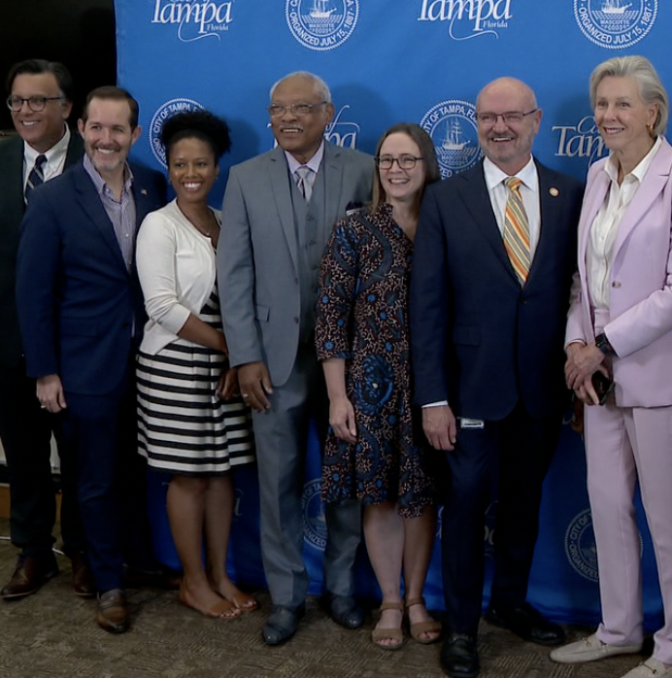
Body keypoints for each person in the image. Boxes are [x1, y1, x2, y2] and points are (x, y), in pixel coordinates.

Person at [411, 76, 582, 678]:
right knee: (463, 510)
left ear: (536, 120)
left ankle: (509, 603)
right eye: (487, 118)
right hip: (467, 395)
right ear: (476, 123)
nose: (499, 127)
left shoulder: (571, 192)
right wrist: (433, 398)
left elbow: (579, 297)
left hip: (540, 392)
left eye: (511, 117)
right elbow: (427, 308)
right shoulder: (445, 198)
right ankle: (459, 627)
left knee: (523, 506)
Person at [552, 55, 672, 678]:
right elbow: (583, 283)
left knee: (666, 516)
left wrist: (604, 345)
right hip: (594, 377)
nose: (608, 116)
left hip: (658, 378)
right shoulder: (595, 175)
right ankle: (618, 628)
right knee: (607, 506)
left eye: (622, 104)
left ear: (653, 111)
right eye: (602, 105)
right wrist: (575, 345)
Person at [216, 70, 371, 646]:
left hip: (349, 367)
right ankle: (286, 597)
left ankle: (342, 588)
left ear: (327, 113)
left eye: (301, 108)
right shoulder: (244, 179)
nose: (287, 118)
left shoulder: (362, 169)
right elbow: (233, 276)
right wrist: (245, 356)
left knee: (346, 482)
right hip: (272, 365)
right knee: (277, 485)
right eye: (278, 109)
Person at [16, 86, 169, 633]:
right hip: (83, 368)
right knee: (97, 478)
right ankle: (109, 585)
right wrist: (45, 370)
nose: (107, 139)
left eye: (118, 129)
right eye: (97, 128)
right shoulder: (53, 199)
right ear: (81, 129)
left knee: (137, 470)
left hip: (147, 360)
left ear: (133, 132)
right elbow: (32, 293)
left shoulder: (153, 185)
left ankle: (136, 561)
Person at [0, 58, 91, 601]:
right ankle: (34, 552)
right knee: (25, 456)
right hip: (6, 341)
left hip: (79, 343)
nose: (27, 111)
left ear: (66, 107)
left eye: (39, 100)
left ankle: (84, 551)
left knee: (82, 458)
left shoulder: (96, 159)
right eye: (18, 101)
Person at [315, 123, 442, 650]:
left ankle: (416, 598)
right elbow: (330, 316)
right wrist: (338, 395)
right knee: (381, 499)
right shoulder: (355, 230)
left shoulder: (446, 224)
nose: (395, 169)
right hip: (370, 389)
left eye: (407, 159)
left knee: (422, 497)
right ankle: (390, 599)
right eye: (387, 159)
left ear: (426, 164)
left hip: (434, 386)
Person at [135, 109, 256, 620]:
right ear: (168, 166)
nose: (191, 173)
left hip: (224, 364)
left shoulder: (227, 222)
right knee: (190, 476)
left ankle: (222, 574)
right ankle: (193, 580)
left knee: (223, 473)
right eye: (181, 163)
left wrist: (236, 354)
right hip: (174, 366)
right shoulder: (158, 226)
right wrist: (234, 349)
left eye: (201, 164)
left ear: (217, 168)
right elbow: (162, 307)